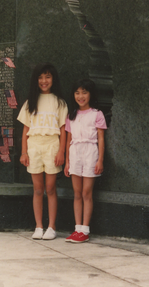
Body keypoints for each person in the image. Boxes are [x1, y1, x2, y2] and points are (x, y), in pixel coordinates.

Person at [17, 63, 68, 240]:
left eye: (47, 77)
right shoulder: (30, 102)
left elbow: (63, 130)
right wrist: (24, 152)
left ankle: (51, 227)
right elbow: (25, 130)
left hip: (52, 145)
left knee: (50, 187)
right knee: (38, 189)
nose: (44, 81)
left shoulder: (59, 102)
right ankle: (39, 226)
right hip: (34, 146)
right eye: (40, 77)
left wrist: (61, 151)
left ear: (53, 79)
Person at [64, 79, 107, 243]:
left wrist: (100, 160)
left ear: (90, 94)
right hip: (75, 153)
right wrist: (67, 162)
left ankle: (85, 230)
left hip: (90, 152)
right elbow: (69, 139)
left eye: (84, 92)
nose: (80, 96)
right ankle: (77, 229)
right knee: (77, 193)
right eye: (77, 93)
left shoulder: (96, 114)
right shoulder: (71, 115)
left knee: (86, 193)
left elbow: (101, 139)